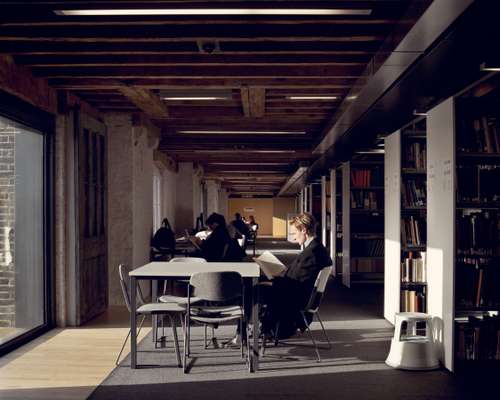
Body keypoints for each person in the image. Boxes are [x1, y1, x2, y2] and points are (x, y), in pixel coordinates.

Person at [260, 212, 332, 339]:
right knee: (260, 284)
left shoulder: (312, 254)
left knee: (253, 291)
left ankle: (251, 330)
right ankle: (259, 328)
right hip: (302, 294)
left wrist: (274, 281)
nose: (293, 238)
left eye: (294, 233)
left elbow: (295, 285)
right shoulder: (315, 249)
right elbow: (299, 277)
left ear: (304, 230)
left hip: (296, 299)